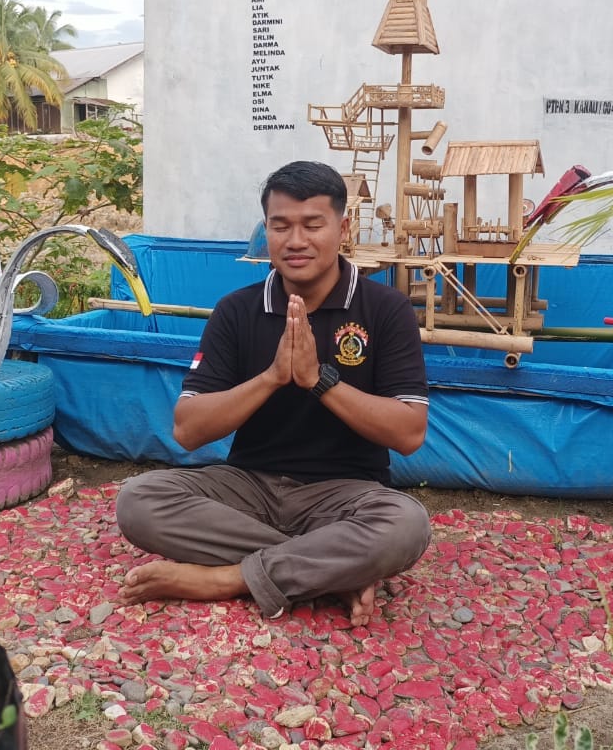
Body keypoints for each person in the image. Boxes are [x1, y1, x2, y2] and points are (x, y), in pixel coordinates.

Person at [115, 160, 432, 626]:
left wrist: (319, 380)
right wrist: (271, 378)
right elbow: (187, 430)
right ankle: (330, 574)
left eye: (312, 225)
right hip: (249, 488)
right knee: (138, 500)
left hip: (345, 496)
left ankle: (226, 579)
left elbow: (409, 433)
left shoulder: (385, 310)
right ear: (266, 230)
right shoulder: (236, 311)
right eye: (281, 226)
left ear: (343, 229)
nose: (296, 240)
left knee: (406, 525)